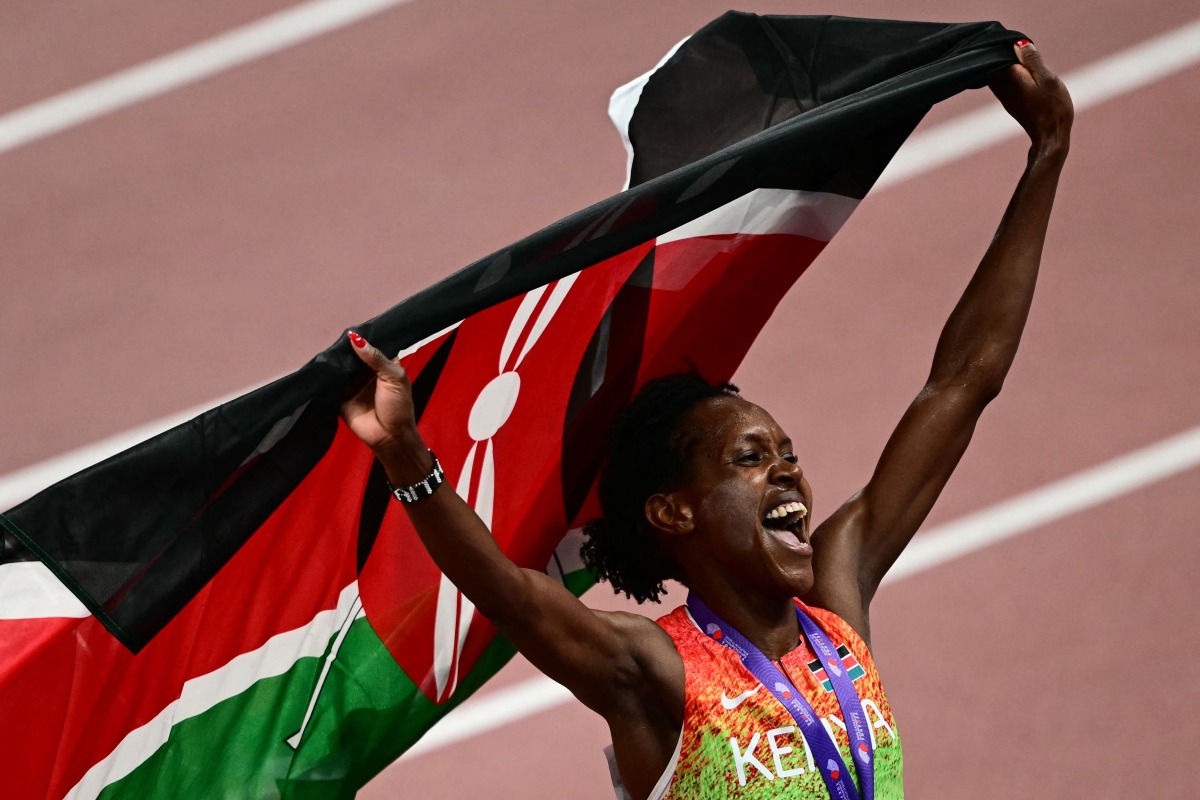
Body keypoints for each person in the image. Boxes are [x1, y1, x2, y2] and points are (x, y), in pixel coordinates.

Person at [340, 40, 1072, 800]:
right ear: (674, 510)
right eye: (750, 458)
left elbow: (962, 383)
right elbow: (510, 595)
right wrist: (405, 457)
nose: (787, 468)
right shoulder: (653, 671)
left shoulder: (835, 602)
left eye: (786, 451)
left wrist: (1046, 154)